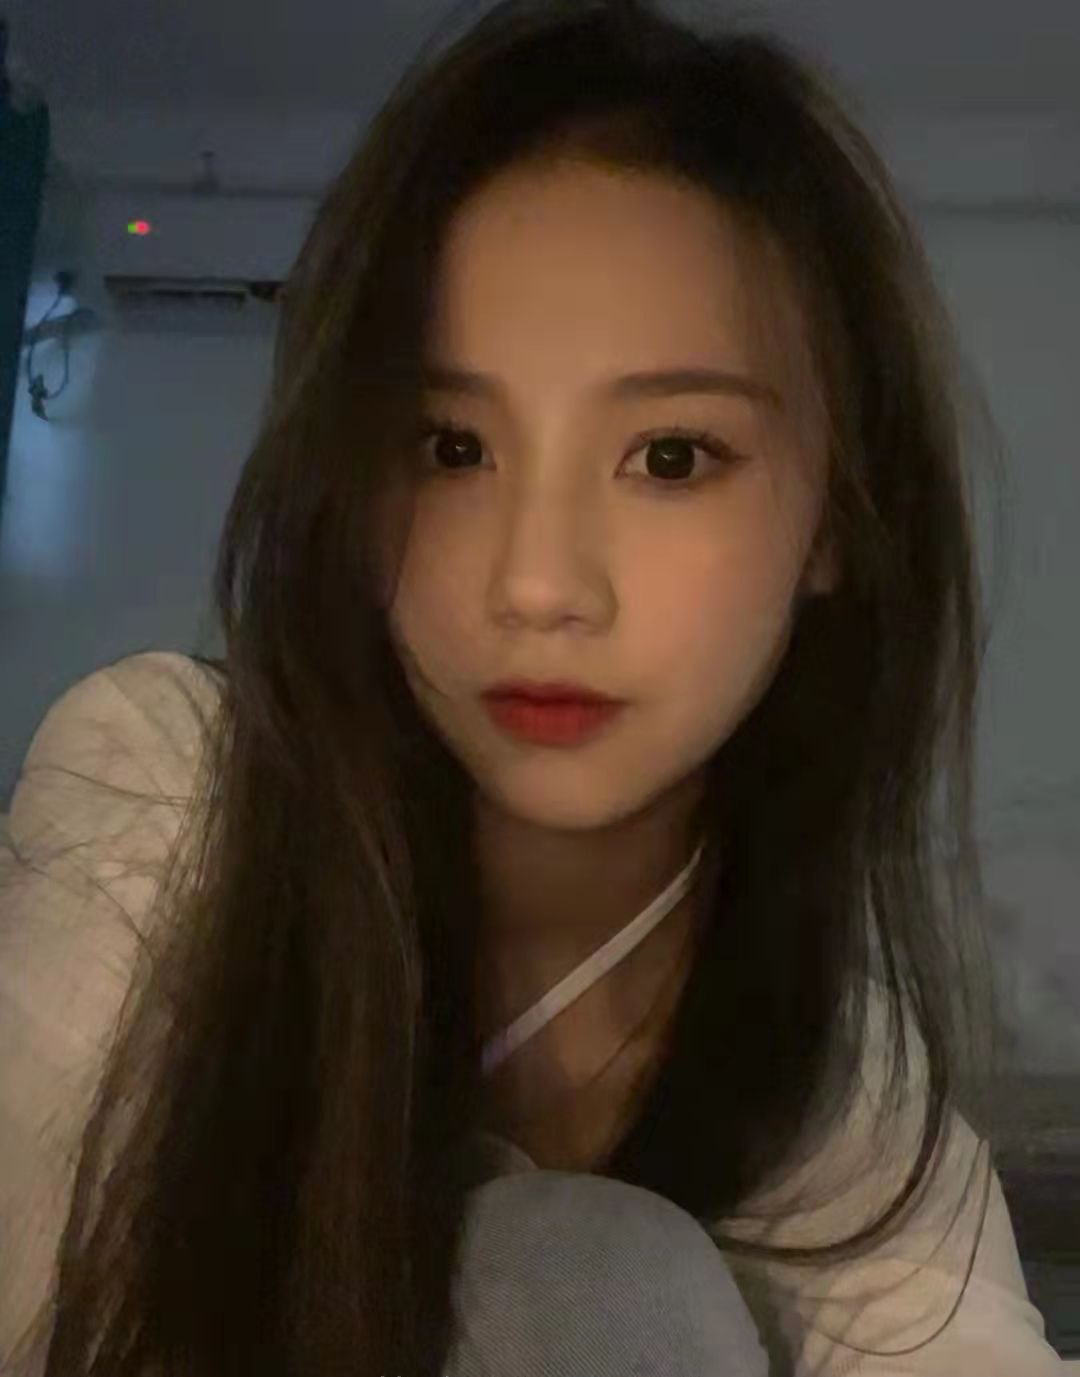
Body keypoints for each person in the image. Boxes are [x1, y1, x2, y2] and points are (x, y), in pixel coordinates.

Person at [0, 1, 1064, 1373]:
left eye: (671, 456)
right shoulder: (175, 797)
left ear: (837, 521)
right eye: (451, 446)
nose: (538, 584)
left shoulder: (836, 1077)